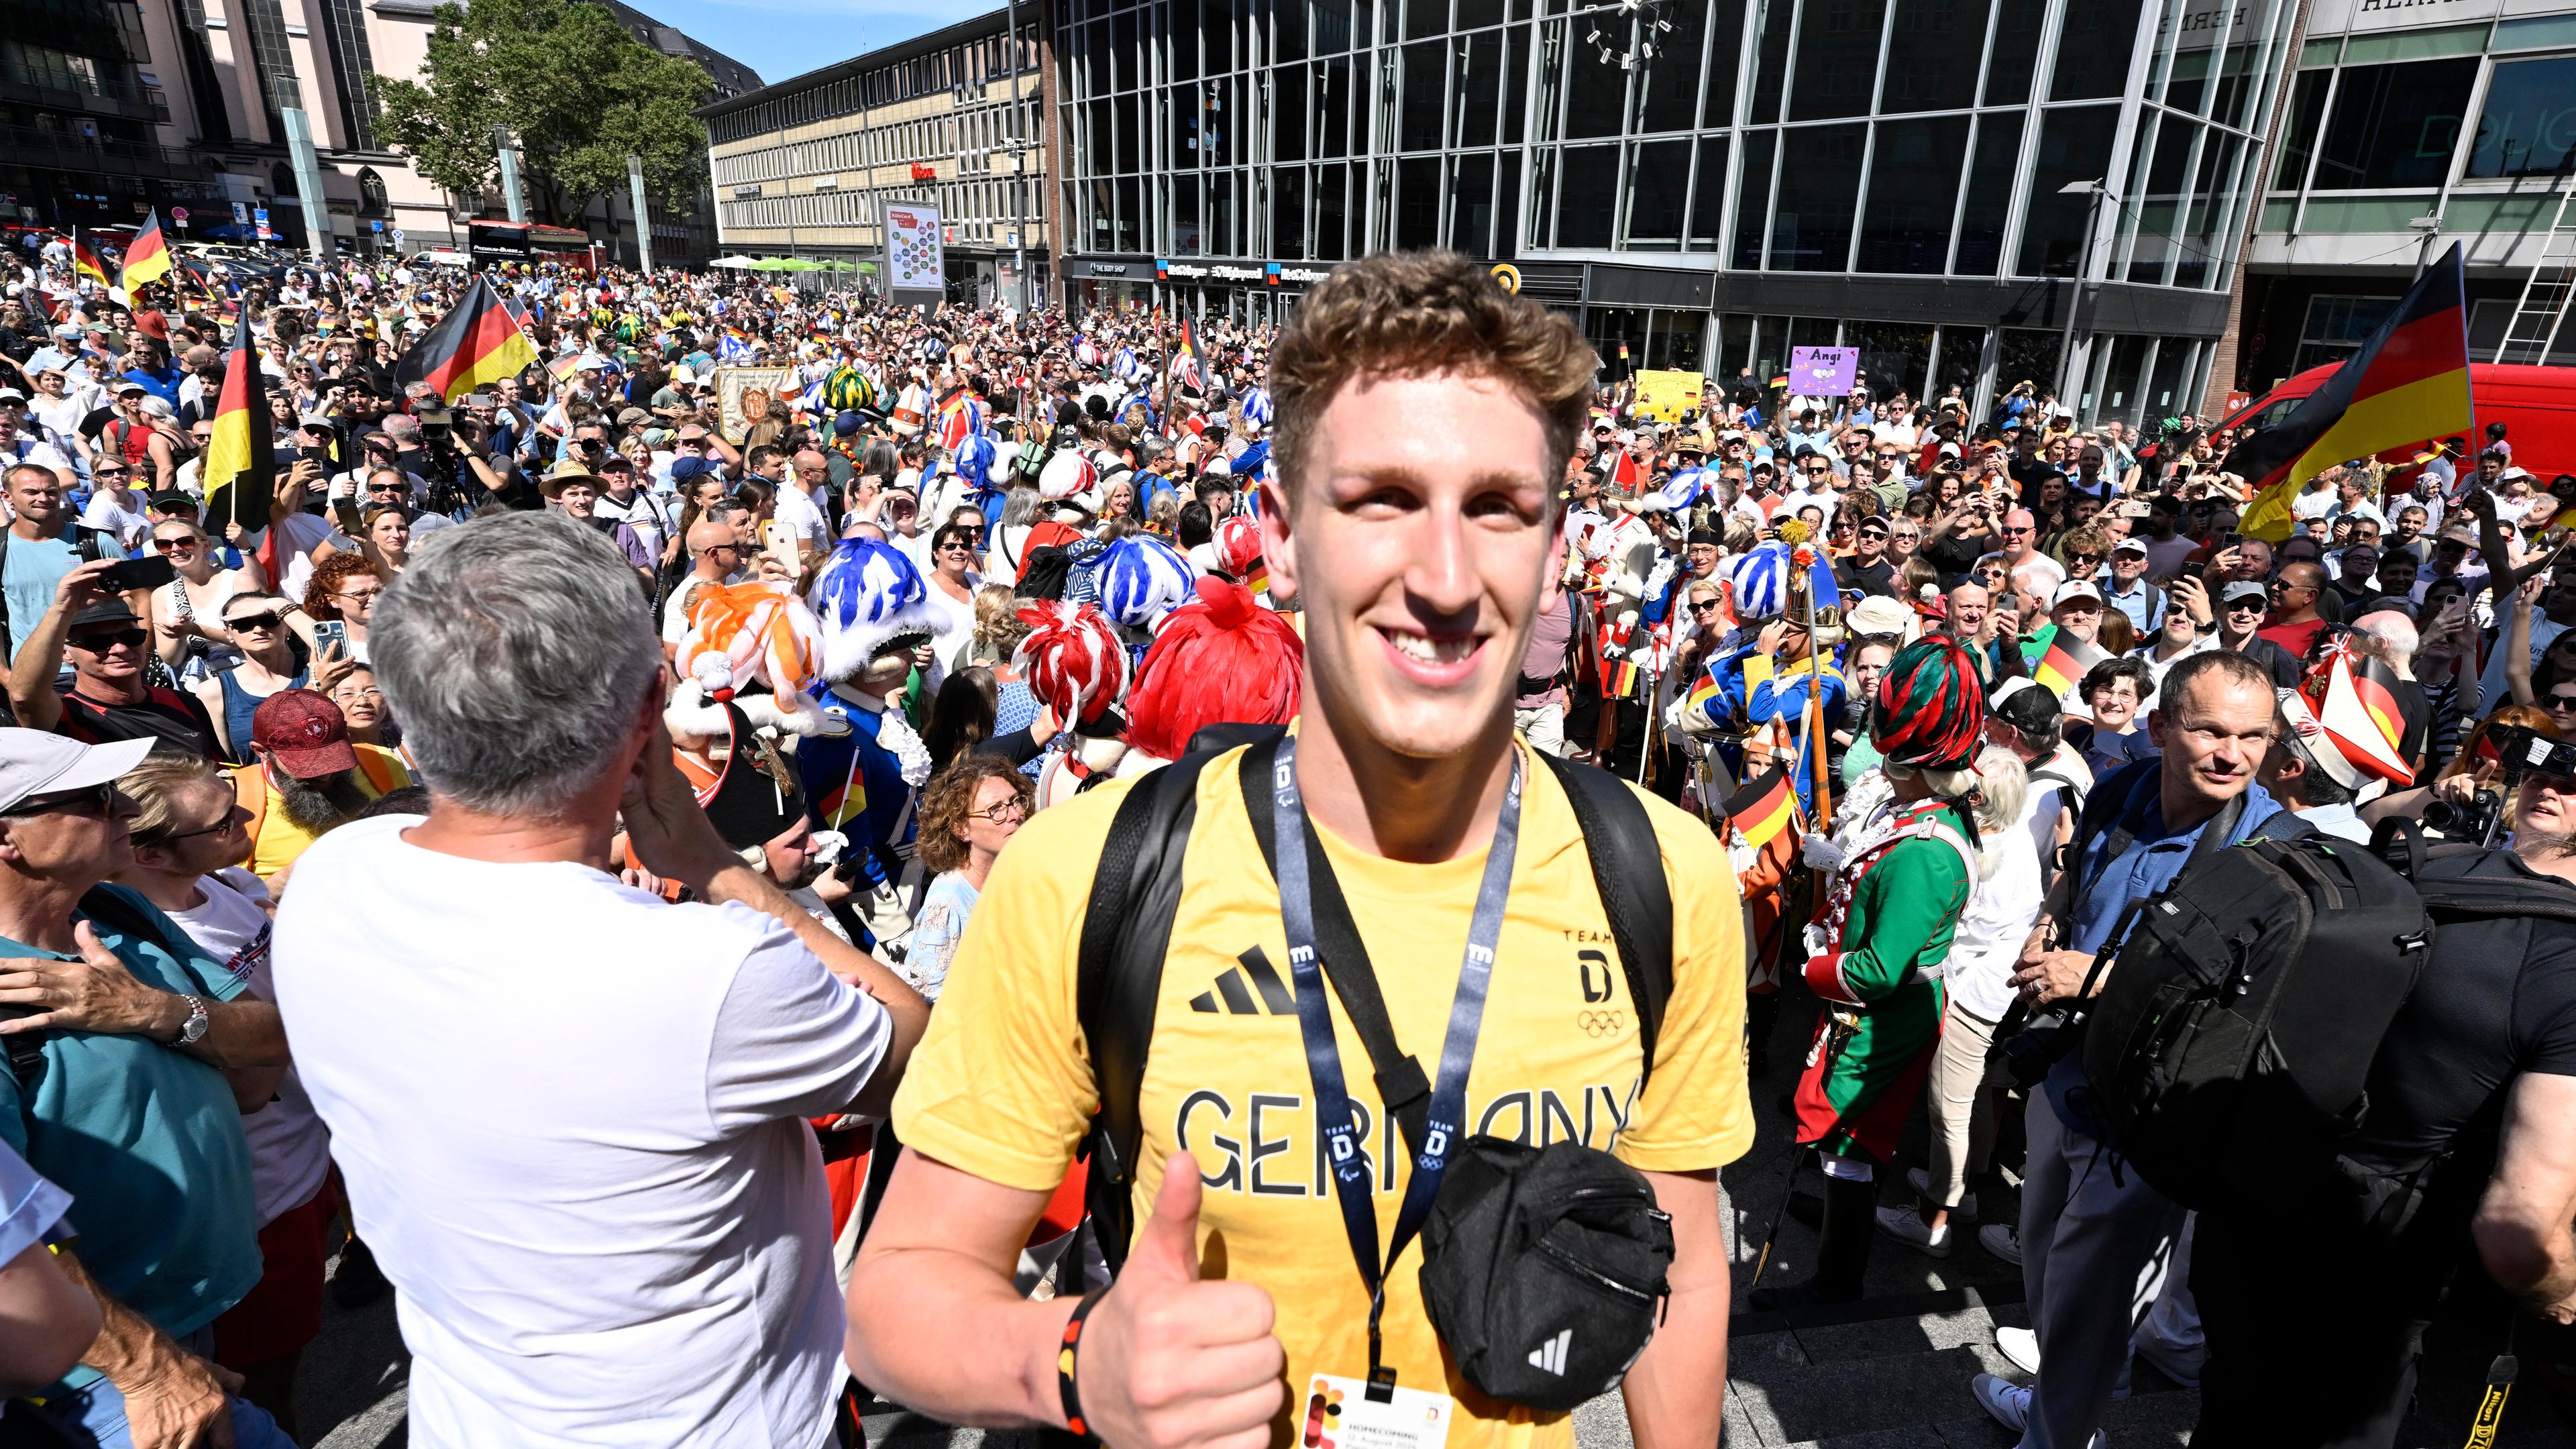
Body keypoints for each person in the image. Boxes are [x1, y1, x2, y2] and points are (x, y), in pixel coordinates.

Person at [843, 251, 1750, 1449]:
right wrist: (1073, 1362)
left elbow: (1680, 1249)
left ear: (1555, 544)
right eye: (1379, 499)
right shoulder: (1091, 874)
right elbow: (899, 1287)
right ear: (1277, 538)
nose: (1442, 577)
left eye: (1498, 507)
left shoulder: (1664, 875)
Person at [272, 512, 930, 1447]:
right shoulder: (708, 973)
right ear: (648, 713)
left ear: (407, 722)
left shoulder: (331, 879)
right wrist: (718, 867)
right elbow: (916, 1050)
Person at [2190, 718, 2576, 1446]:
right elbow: (2518, 1236)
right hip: (2371, 1270)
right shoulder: (2565, 967)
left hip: (2254, 1204)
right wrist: (2564, 1300)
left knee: (2234, 1410)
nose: (2549, 782)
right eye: (2547, 769)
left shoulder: (2419, 863)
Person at [1973, 649, 2308, 1448]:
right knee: (2049, 1267)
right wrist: (2048, 925)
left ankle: (2058, 1432)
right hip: (2067, 1076)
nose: (2233, 755)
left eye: (2253, 737)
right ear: (2160, 729)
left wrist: (2094, 976)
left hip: (2146, 1115)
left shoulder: (2269, 853)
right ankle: (2073, 1392)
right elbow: (2078, 874)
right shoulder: (2121, 787)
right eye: (2211, 731)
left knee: (2089, 1299)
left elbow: (2243, 992)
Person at [0, 729, 296, 1447]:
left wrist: (156, 1013)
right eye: (96, 800)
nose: (126, 813)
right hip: (105, 1364)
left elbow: (271, 1045)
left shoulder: (115, 911)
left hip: (220, 1285)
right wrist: (141, 1364)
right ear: (8, 839)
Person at [114, 750, 333, 1435]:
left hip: (310, 1156)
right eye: (221, 820)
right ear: (148, 854)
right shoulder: (155, 946)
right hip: (260, 1194)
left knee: (296, 1345)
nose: (246, 817)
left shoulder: (227, 885)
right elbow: (241, 1080)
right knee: (263, 1380)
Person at [9, 564, 221, 759]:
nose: (120, 649)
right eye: (97, 642)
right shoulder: (67, 715)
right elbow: (24, 697)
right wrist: (61, 609)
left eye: (131, 637)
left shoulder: (184, 703)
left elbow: (222, 772)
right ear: (66, 654)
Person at [236, 688, 411, 882]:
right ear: (261, 752)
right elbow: (228, 902)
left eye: (335, 759)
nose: (326, 775)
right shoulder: (237, 799)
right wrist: (285, 880)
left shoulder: (382, 762)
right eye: (305, 767)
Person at [902, 755, 1032, 1003]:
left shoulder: (1023, 873)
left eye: (1016, 801)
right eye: (995, 809)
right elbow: (925, 994)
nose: (1015, 814)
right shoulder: (949, 901)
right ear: (961, 828)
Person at [2070, 656, 2159, 778]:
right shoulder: (2078, 737)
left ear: (2139, 704)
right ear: (2090, 695)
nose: (2113, 701)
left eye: (2126, 694)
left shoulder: (2141, 754)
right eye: (2106, 691)